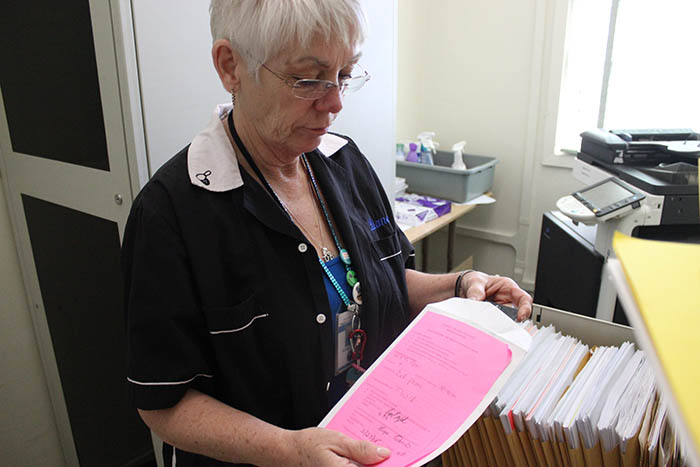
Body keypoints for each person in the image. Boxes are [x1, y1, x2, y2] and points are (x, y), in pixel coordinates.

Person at [121, 1, 533, 465]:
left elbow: (379, 283)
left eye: (344, 74)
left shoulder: (343, 163)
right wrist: (289, 450)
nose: (335, 102)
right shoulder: (172, 214)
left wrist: (456, 287)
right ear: (230, 66)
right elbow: (164, 404)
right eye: (308, 78)